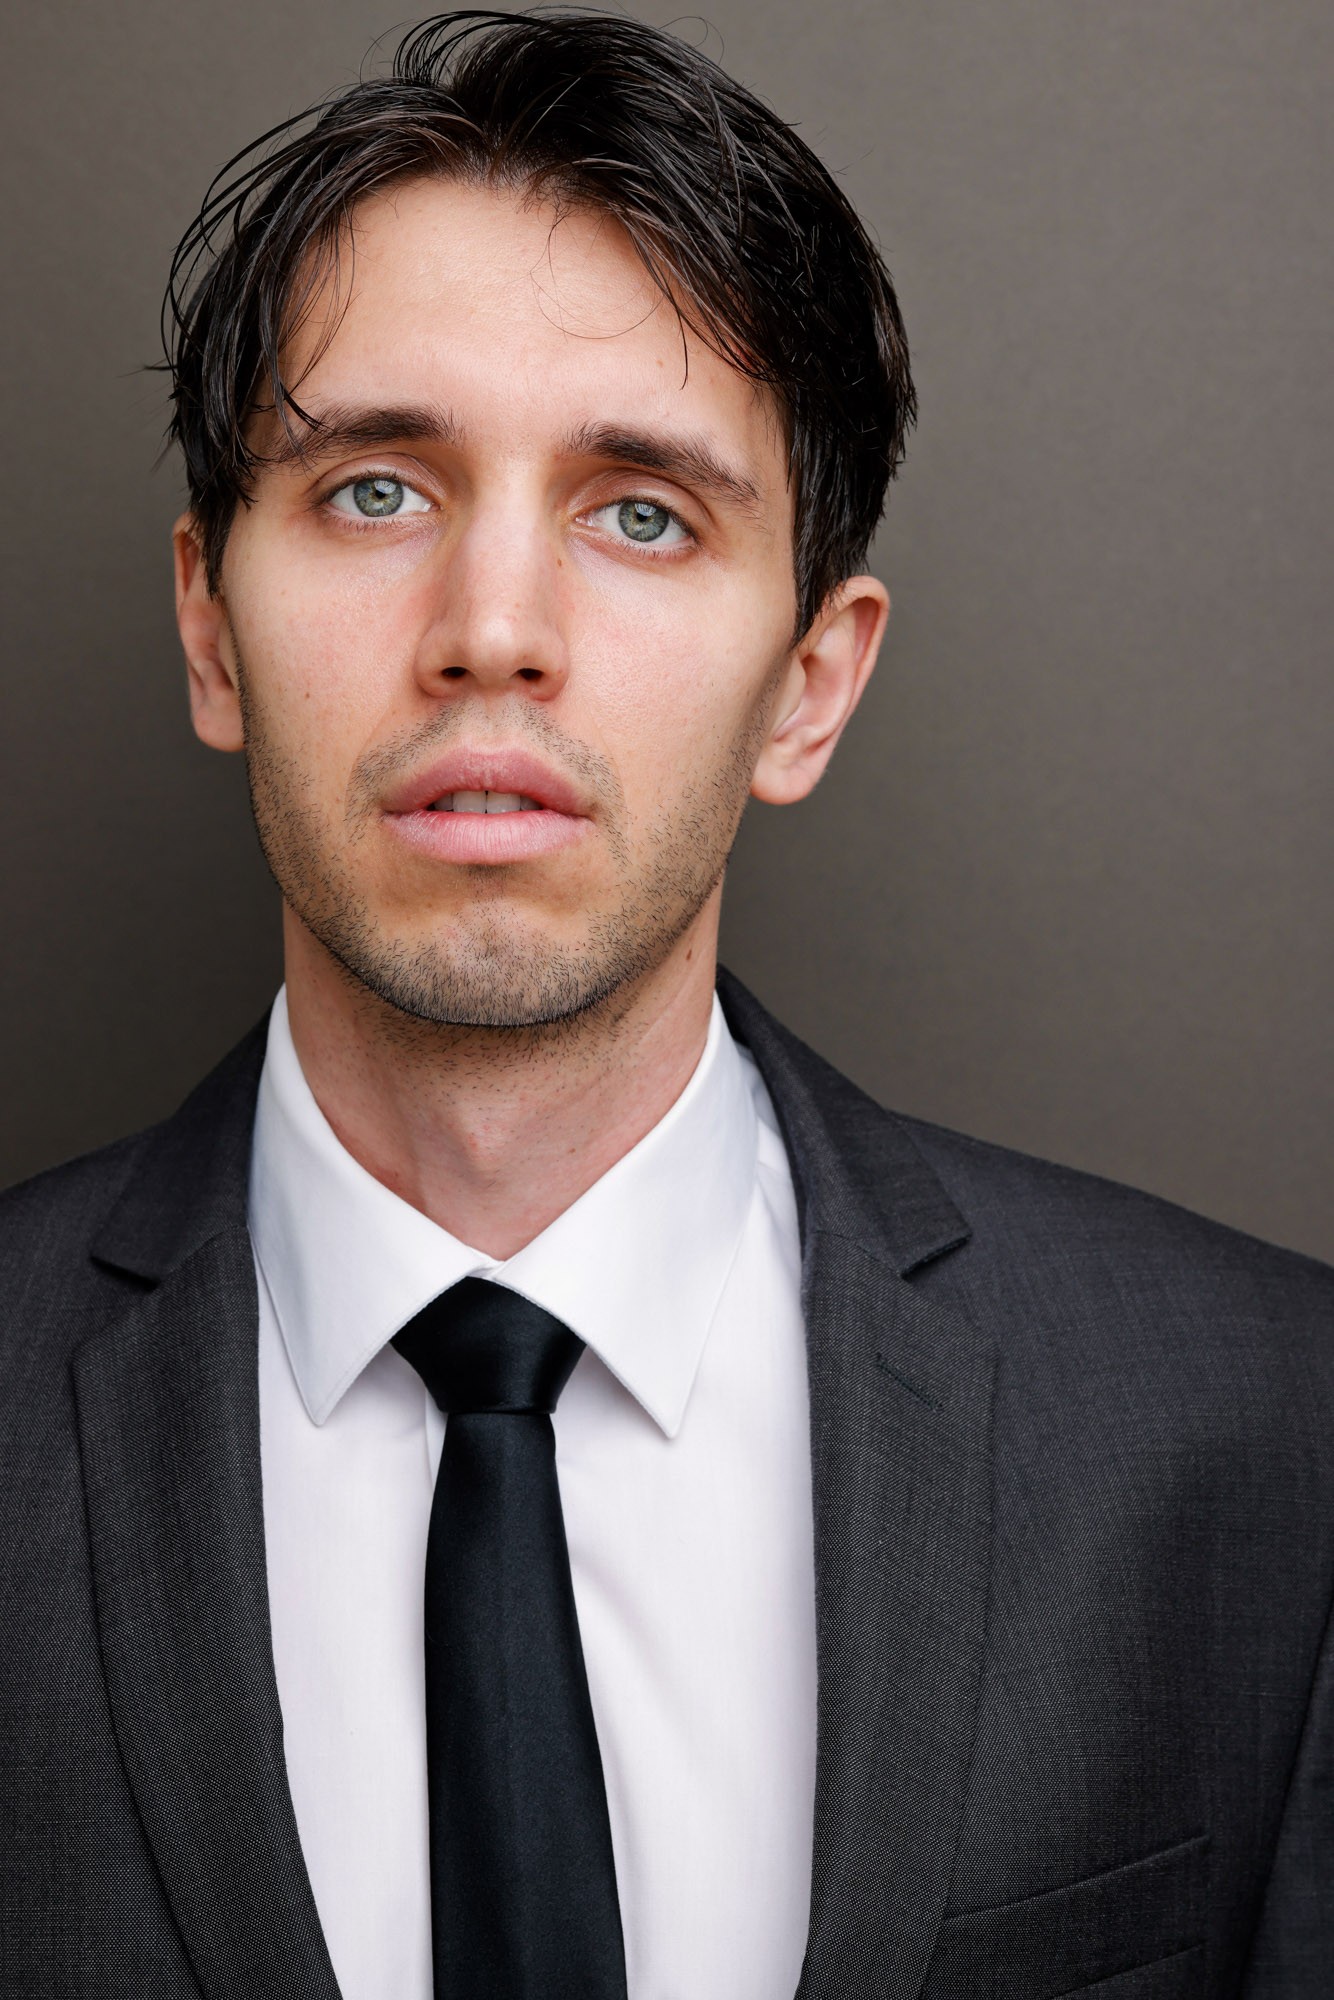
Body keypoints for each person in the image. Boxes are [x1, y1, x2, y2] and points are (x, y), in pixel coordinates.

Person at [1, 10, 1330, 1997]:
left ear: (809, 684)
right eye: (375, 491)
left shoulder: (1268, 1431)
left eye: (641, 511)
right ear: (210, 628)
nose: (492, 631)